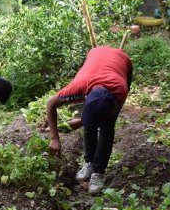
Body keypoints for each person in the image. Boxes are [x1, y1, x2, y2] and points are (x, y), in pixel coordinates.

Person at [46, 46, 133, 194]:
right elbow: (50, 104)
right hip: (96, 56)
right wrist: (55, 138)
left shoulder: (120, 90)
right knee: (91, 123)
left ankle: (99, 171)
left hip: (122, 61)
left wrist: (85, 120)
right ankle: (89, 162)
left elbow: (108, 114)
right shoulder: (78, 87)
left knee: (107, 125)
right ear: (85, 97)